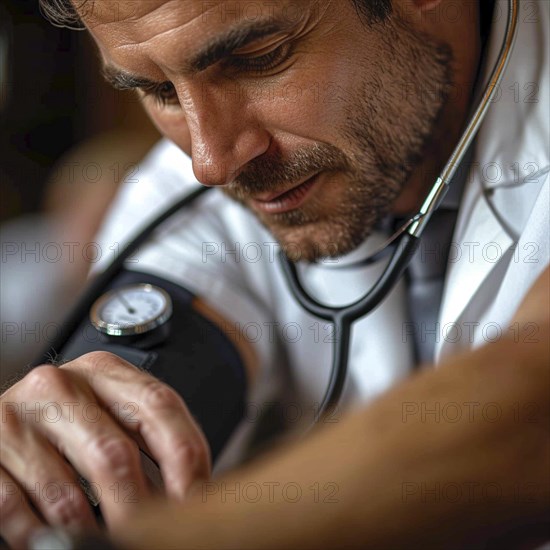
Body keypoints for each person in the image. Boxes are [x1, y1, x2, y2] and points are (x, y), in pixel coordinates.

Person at [1, 0, 548, 548]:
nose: (211, 162)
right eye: (161, 92)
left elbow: (528, 412)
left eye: (257, 57)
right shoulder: (184, 193)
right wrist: (54, 461)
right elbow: (140, 392)